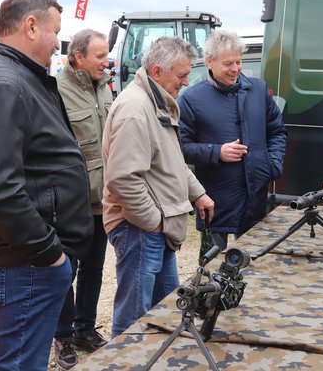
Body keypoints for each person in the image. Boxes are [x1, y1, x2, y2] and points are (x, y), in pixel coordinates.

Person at [0, 0, 93, 371]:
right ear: (31, 26)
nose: (59, 43)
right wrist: (50, 255)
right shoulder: (4, 84)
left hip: (28, 260)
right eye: (56, 31)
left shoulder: (18, 78)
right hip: (26, 263)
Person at [102, 36, 215, 338]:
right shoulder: (136, 110)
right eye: (181, 75)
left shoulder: (156, 102)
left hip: (156, 229)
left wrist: (198, 192)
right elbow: (123, 179)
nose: (186, 82)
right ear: (156, 71)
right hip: (142, 230)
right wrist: (153, 223)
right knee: (132, 324)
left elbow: (171, 162)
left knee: (166, 313)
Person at [177, 30, 286, 257]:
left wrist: (272, 164)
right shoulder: (191, 99)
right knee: (212, 268)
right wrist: (217, 152)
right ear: (210, 63)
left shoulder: (257, 89)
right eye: (228, 63)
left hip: (255, 198)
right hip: (215, 202)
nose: (235, 69)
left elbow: (277, 131)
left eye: (238, 61)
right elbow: (179, 147)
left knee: (252, 264)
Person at [53, 29, 111, 369]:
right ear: (78, 58)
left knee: (95, 269)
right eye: (100, 56)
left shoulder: (105, 88)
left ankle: (85, 329)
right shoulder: (57, 91)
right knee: (65, 273)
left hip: (103, 203)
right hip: (70, 204)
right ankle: (62, 337)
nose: (107, 62)